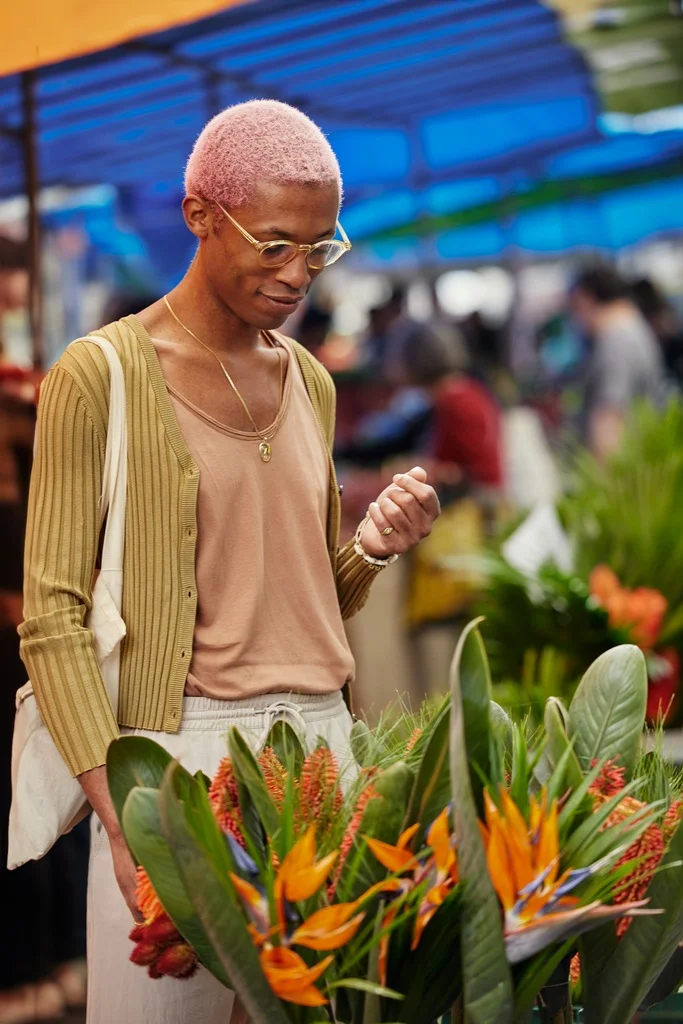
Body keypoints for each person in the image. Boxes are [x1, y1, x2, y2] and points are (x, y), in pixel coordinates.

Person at [18, 99, 440, 1024]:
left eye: (320, 248)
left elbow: (300, 599)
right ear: (200, 214)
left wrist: (367, 548)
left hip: (321, 752)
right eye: (276, 243)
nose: (298, 276)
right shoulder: (102, 375)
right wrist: (119, 805)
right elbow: (51, 618)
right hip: (175, 761)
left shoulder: (311, 381)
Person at [569, 266, 666, 459]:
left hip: (623, 473)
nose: (574, 317)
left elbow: (609, 420)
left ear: (586, 300)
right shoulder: (632, 329)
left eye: (574, 306)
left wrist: (602, 485)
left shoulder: (615, 342)